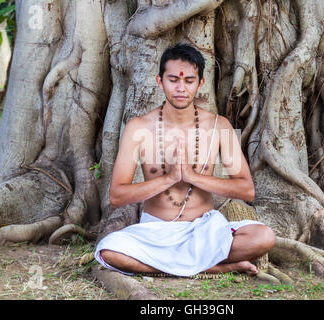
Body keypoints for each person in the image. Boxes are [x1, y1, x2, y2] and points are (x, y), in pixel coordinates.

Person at [95, 43, 276, 277]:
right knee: (109, 250)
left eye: (189, 81)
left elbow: (247, 190)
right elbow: (117, 196)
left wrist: (193, 177)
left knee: (263, 237)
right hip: (155, 232)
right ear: (160, 82)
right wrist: (169, 179)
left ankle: (173, 266)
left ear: (200, 83)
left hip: (204, 231)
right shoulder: (138, 127)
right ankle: (214, 268)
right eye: (173, 80)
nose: (181, 88)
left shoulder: (219, 126)